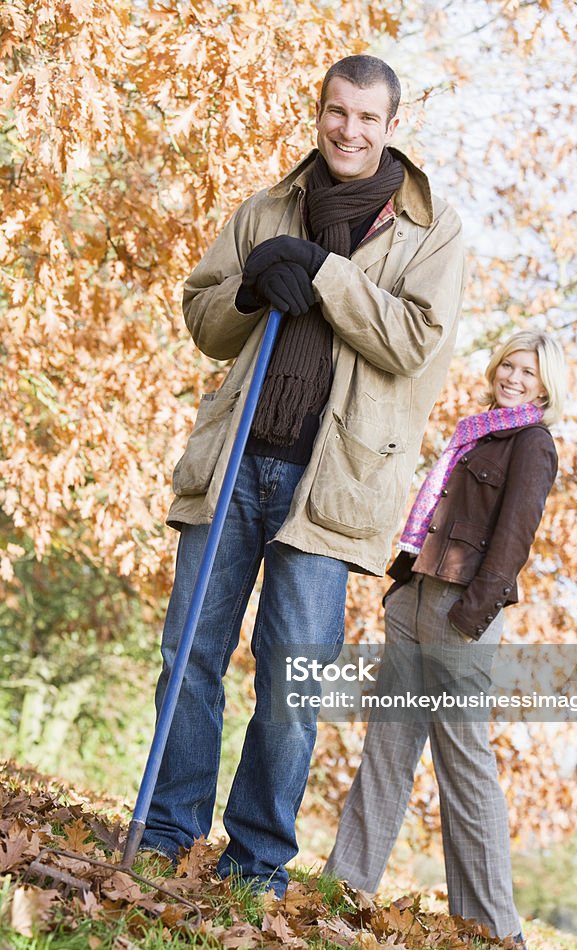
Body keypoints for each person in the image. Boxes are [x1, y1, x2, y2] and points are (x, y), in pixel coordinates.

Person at [139, 55, 466, 896]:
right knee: (190, 657)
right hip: (233, 464)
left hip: (332, 489)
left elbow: (412, 341)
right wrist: (250, 287)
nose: (348, 131)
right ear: (318, 112)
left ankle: (255, 865)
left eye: (366, 118)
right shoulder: (268, 207)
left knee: (290, 687)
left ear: (392, 126)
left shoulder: (433, 232)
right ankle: (169, 831)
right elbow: (203, 319)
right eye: (336, 113)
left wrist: (321, 272)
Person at [324, 330, 566, 942]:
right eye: (508, 364)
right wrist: (402, 586)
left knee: (464, 763)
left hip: (461, 610)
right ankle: (344, 888)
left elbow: (514, 540)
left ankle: (493, 930)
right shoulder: (476, 429)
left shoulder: (532, 443)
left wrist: (471, 615)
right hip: (416, 597)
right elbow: (432, 515)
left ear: (546, 385)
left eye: (528, 372)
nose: (513, 377)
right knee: (387, 748)